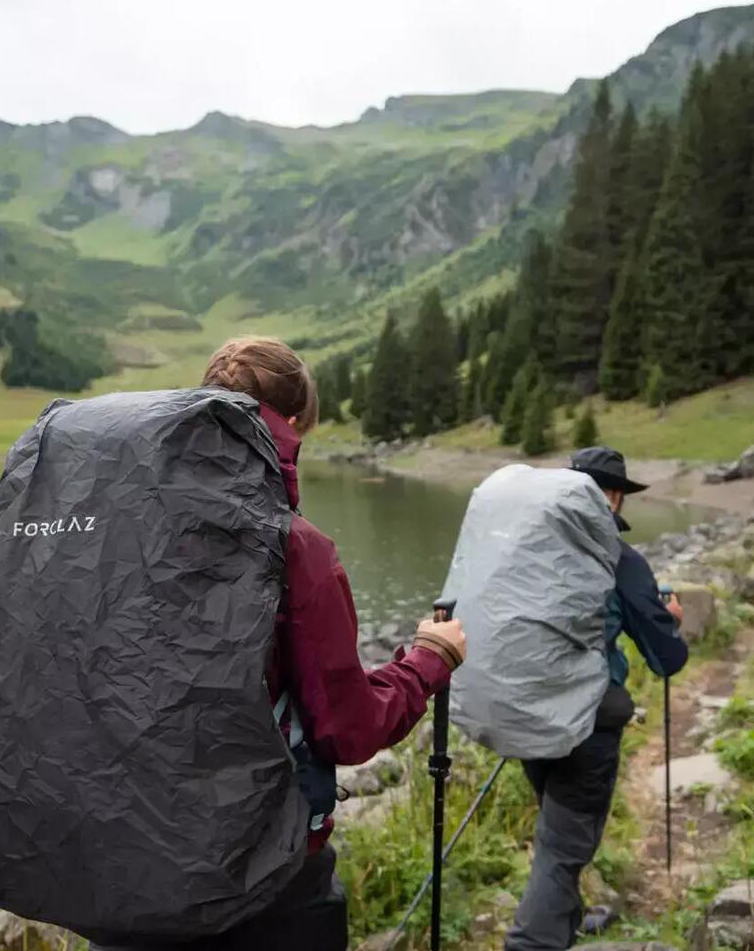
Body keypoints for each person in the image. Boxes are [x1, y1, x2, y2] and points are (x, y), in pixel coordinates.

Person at [163, 335, 467, 951]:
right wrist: (429, 661)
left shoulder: (129, 525)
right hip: (264, 878)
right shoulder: (295, 547)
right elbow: (346, 729)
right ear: (295, 422)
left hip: (128, 858)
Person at [504, 445, 687, 951]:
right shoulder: (619, 558)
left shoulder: (529, 545)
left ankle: (564, 921)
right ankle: (532, 942)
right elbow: (665, 658)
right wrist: (667, 618)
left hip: (523, 709)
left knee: (557, 830)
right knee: (563, 847)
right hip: (586, 720)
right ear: (611, 496)